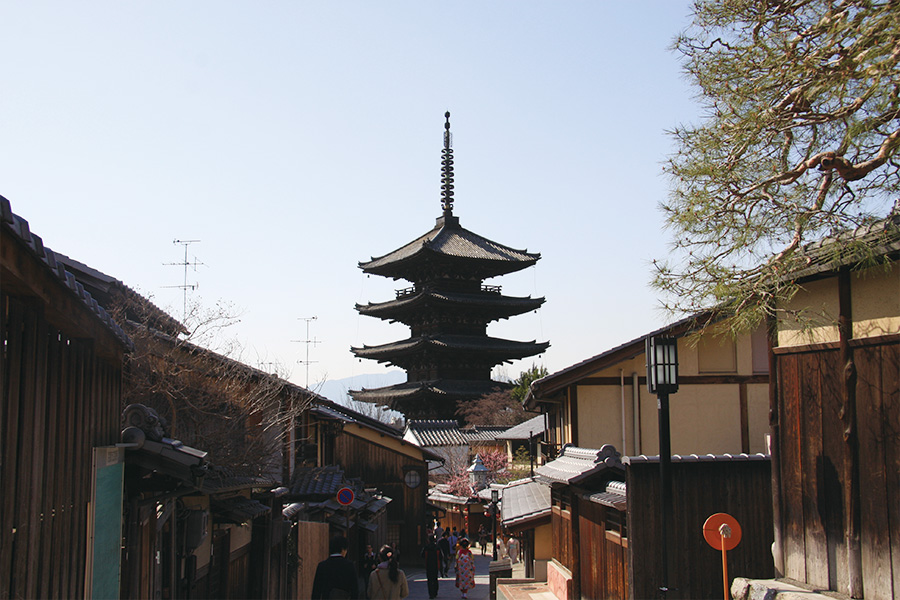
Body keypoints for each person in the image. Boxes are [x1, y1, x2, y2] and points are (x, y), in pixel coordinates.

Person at [311, 535, 359, 600]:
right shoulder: (349, 565)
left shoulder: (322, 566)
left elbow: (316, 592)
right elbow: (355, 591)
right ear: (343, 550)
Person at [420, 535, 442, 599]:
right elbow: (441, 556)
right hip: (435, 565)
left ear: (428, 540)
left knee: (429, 580)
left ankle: (431, 594)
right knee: (435, 579)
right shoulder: (437, 547)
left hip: (428, 565)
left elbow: (422, 555)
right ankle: (435, 592)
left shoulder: (426, 548)